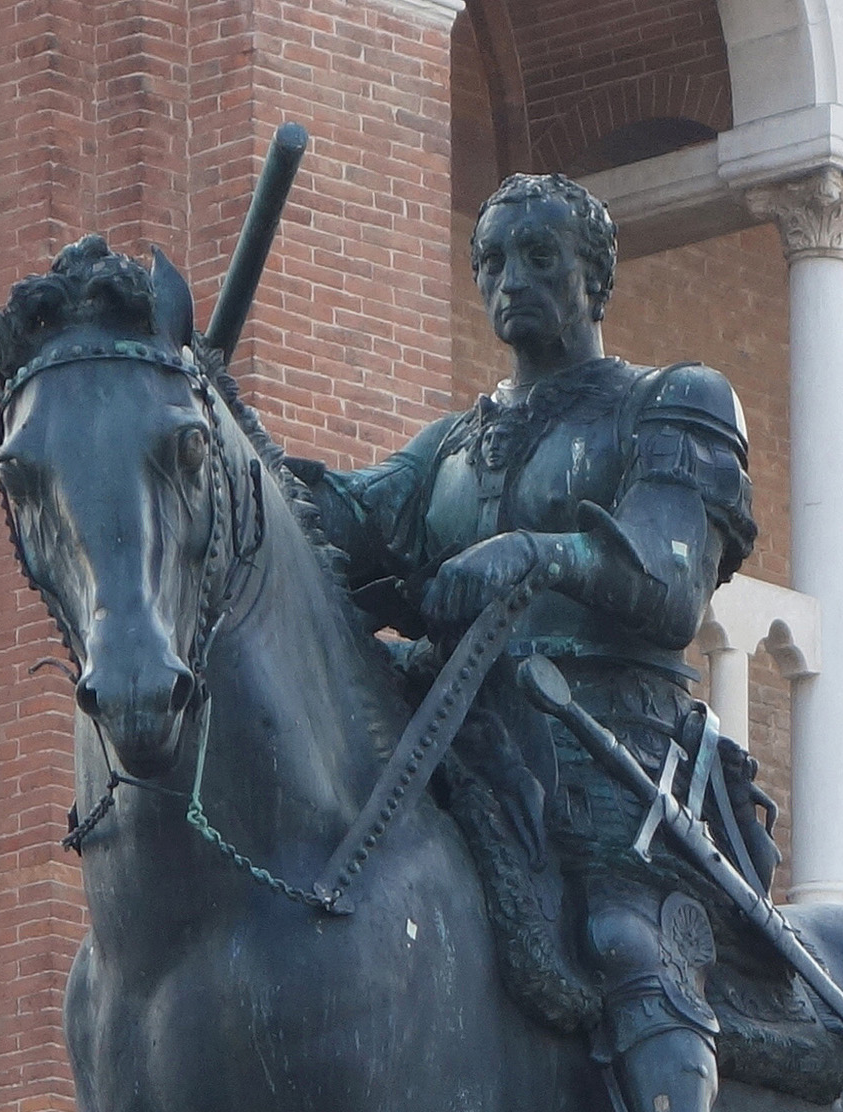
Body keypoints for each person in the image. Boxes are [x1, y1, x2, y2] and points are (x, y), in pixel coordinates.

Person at [298, 173, 769, 1112]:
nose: (511, 278)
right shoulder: (451, 448)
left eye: (539, 257)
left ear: (595, 279)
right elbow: (337, 519)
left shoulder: (671, 403)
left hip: (610, 757)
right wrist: (218, 449)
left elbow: (670, 581)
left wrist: (534, 555)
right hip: (457, 741)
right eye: (493, 261)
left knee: (628, 947)